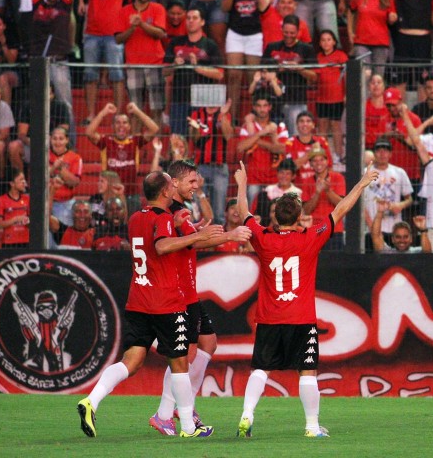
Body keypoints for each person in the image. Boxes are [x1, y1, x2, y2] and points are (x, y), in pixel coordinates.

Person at [234, 160, 379, 438]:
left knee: (261, 369)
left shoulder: (263, 238)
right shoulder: (311, 237)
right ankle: (312, 427)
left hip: (269, 318)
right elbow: (340, 210)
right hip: (301, 319)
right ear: (300, 216)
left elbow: (243, 213)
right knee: (307, 371)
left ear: (275, 217)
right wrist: (361, 183)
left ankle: (247, 414)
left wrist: (242, 183)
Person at [78, 170, 224, 439]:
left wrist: (188, 227)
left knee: (131, 361)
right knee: (180, 363)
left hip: (138, 301)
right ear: (167, 191)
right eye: (171, 186)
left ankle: (91, 400)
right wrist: (197, 236)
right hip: (165, 302)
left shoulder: (135, 217)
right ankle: (188, 428)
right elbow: (162, 246)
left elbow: (157, 239)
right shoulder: (163, 218)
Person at [149, 160, 251, 435]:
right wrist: (229, 234)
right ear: (176, 183)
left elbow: (191, 239)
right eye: (192, 181)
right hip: (178, 292)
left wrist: (198, 231)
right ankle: (166, 413)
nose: (197, 185)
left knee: (208, 342)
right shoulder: (169, 210)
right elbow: (192, 242)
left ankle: (184, 405)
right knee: (186, 353)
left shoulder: (179, 210)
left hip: (188, 289)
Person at [164, 6, 224, 137]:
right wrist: (174, 64)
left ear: (202, 22)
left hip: (203, 99)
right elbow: (164, 72)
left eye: (195, 18)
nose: (191, 21)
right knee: (178, 141)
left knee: (201, 140)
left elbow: (219, 73)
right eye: (188, 18)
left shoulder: (210, 45)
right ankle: (180, 159)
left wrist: (197, 68)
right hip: (179, 99)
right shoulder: (175, 42)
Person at [117, 0, 167, 124]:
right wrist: (132, 27)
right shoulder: (124, 11)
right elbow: (118, 39)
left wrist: (141, 24)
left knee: (157, 109)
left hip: (155, 63)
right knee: (135, 110)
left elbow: (160, 34)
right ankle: (135, 146)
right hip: (133, 64)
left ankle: (157, 145)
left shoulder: (158, 8)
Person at [263, 14, 316, 136]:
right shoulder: (272, 47)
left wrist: (298, 69)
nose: (288, 36)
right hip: (273, 101)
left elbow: (314, 77)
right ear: (281, 29)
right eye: (286, 32)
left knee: (297, 137)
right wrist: (277, 69)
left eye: (292, 33)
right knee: (273, 137)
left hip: (296, 100)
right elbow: (262, 71)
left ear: (298, 31)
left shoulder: (306, 49)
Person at [221, 0, 271, 118]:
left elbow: (263, 7)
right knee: (233, 76)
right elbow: (224, 8)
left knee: (253, 78)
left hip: (254, 35)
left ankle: (256, 118)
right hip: (235, 33)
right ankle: (232, 118)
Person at [79, 0, 126, 122]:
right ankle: (91, 114)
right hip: (92, 31)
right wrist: (81, 1)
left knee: (117, 74)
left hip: (114, 32)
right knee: (90, 74)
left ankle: (118, 115)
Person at [365, 139, 413, 242]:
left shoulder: (399, 172)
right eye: (379, 151)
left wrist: (401, 205)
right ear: (374, 154)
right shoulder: (365, 173)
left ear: (390, 154)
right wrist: (370, 226)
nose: (382, 154)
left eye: (386, 151)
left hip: (394, 230)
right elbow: (360, 203)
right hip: (371, 228)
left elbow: (409, 199)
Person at [301, 149, 346, 250]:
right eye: (315, 161)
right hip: (314, 230)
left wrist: (327, 191)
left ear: (327, 161)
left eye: (321, 160)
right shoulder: (307, 181)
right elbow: (306, 211)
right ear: (311, 164)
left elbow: (342, 205)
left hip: (334, 229)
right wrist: (317, 193)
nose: (318, 163)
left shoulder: (338, 178)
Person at [347, 0, 396, 76]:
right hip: (362, 41)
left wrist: (392, 18)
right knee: (365, 74)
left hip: (381, 42)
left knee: (378, 77)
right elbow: (351, 11)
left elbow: (391, 18)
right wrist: (350, 31)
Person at [314, 30, 348, 158]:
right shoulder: (318, 57)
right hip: (321, 98)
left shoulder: (341, 55)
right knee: (322, 127)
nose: (326, 42)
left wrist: (346, 94)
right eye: (323, 40)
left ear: (334, 41)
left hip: (336, 98)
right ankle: (323, 156)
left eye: (329, 39)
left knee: (336, 127)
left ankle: (339, 155)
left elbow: (346, 76)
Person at [48, 127, 83, 226]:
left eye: (61, 139)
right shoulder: (44, 155)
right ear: (50, 139)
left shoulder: (75, 158)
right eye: (55, 138)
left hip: (64, 203)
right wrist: (53, 167)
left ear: (67, 140)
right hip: (44, 201)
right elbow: (38, 180)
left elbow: (74, 182)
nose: (57, 142)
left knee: (62, 236)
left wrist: (60, 169)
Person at [0, 169, 31, 248]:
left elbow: (33, 222)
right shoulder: (1, 200)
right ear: (12, 183)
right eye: (21, 180)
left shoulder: (27, 199)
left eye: (24, 179)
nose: (24, 182)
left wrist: (28, 221)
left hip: (26, 241)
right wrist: (15, 219)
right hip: (9, 242)